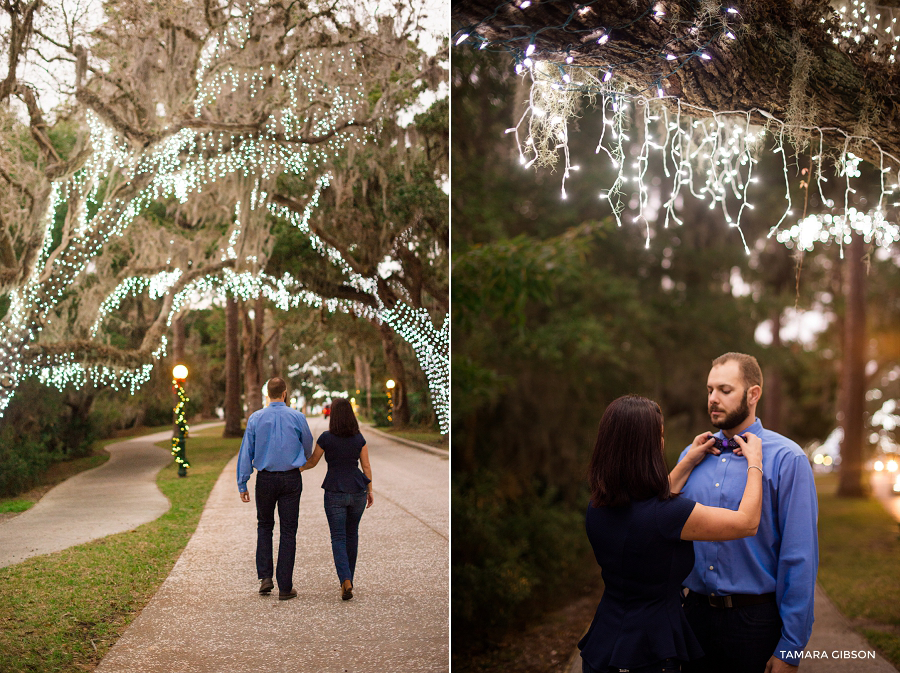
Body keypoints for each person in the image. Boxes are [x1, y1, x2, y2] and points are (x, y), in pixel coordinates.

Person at [579, 394, 764, 673]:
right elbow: (747, 522)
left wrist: (688, 460)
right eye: (660, 436)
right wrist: (755, 462)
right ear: (647, 446)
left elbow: (646, 508)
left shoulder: (597, 505)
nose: (662, 442)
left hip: (605, 644)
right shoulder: (669, 515)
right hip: (649, 653)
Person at [678, 353, 818, 673]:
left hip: (754, 623)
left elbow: (799, 556)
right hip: (692, 617)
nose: (713, 399)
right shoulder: (692, 455)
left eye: (725, 390)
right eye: (710, 389)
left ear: (753, 394)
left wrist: (790, 647)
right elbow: (665, 531)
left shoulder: (788, 459)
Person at [236, 377, 313, 601]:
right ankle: (285, 587)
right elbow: (307, 444)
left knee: (265, 526)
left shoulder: (256, 418)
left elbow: (246, 451)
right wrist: (302, 460)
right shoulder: (297, 417)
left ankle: (266, 577)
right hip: (291, 478)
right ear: (285, 393)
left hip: (266, 479)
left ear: (267, 394)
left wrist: (243, 482)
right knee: (288, 531)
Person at [300, 397, 373, 600]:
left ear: (333, 416)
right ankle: (349, 578)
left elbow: (313, 461)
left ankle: (345, 579)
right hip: (357, 491)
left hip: (334, 491)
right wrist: (370, 490)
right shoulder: (359, 438)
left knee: (338, 537)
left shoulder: (326, 438)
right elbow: (366, 467)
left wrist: (298, 467)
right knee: (352, 535)